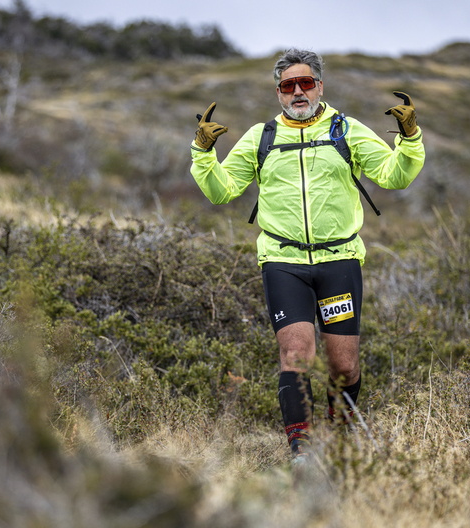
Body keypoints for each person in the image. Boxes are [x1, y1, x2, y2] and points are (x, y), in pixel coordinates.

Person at [189, 48, 425, 461]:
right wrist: (203, 152)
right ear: (278, 93)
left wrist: (409, 138)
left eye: (306, 83)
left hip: (338, 262)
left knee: (344, 367)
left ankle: (338, 439)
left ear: (320, 86)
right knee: (297, 354)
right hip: (284, 263)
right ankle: (302, 453)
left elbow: (395, 176)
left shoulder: (346, 130)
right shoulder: (261, 137)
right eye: (288, 86)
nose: (298, 92)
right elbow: (221, 191)